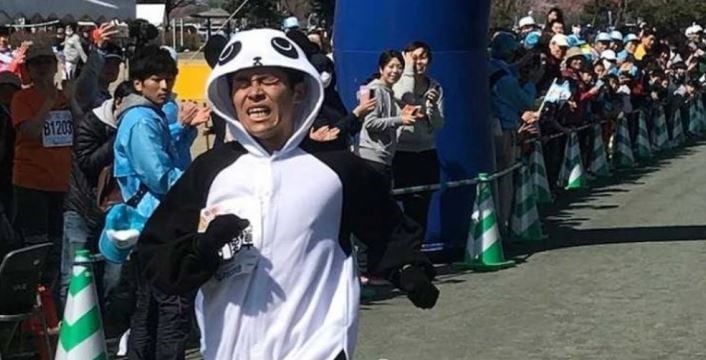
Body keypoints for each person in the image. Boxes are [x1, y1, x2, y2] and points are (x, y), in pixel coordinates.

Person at [136, 28, 438, 360]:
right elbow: (156, 256)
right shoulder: (210, 171)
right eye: (242, 83)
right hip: (230, 349)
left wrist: (408, 268)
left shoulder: (337, 169)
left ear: (298, 91)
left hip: (317, 348)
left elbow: (386, 228)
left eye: (267, 80)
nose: (254, 93)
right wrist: (200, 249)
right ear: (227, 95)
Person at [109, 45, 194, 360]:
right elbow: (157, 174)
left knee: (149, 305)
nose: (165, 87)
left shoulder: (146, 116)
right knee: (171, 303)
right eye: (157, 79)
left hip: (148, 221)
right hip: (155, 221)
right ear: (138, 83)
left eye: (169, 79)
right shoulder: (142, 120)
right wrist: (195, 189)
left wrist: (183, 129)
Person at [60, 81, 134, 310]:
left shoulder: (141, 127)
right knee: (75, 271)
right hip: (81, 206)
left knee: (114, 274)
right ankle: (69, 324)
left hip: (116, 208)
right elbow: (87, 163)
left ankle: (104, 322)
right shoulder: (90, 123)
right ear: (118, 103)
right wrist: (119, 138)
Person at [11, 43, 72, 291]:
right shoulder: (21, 98)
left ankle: (52, 297)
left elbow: (78, 127)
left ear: (56, 66)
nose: (43, 68)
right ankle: (31, 297)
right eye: (37, 63)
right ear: (28, 69)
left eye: (47, 62)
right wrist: (48, 102)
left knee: (58, 246)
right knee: (36, 245)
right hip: (31, 182)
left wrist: (71, 98)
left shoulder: (64, 96)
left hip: (61, 182)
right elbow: (31, 131)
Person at [487, 32, 543, 234]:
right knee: (505, 179)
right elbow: (525, 102)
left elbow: (507, 69)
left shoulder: (489, 68)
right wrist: (531, 82)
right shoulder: (507, 81)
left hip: (489, 128)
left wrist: (523, 61)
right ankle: (502, 224)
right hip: (505, 130)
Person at [392, 41, 444, 235]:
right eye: (413, 57)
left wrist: (431, 106)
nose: (418, 62)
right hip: (400, 152)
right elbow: (405, 96)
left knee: (420, 211)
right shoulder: (398, 82)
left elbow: (439, 124)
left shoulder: (435, 87)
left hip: (426, 152)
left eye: (422, 57)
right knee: (399, 210)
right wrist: (408, 70)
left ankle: (415, 256)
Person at [355, 50, 423, 185]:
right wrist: (400, 120)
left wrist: (404, 114)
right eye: (391, 66)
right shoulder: (372, 90)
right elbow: (370, 123)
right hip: (371, 158)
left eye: (399, 67)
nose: (395, 71)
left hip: (384, 159)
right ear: (381, 69)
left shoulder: (388, 92)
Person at [0, 71, 21, 252]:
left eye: (11, 89)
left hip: (16, 174)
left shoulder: (19, 113)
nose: (7, 93)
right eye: (3, 89)